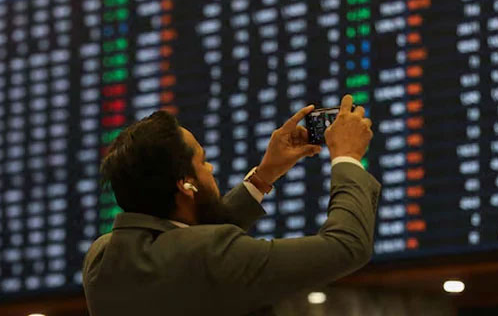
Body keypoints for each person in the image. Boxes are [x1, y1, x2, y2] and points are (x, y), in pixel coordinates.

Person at [82, 94, 380, 316]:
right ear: (186, 185)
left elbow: (182, 246)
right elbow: (346, 246)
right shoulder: (211, 255)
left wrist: (264, 175)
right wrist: (347, 158)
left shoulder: (101, 258)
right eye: (203, 161)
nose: (210, 169)